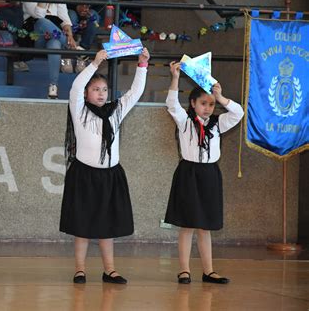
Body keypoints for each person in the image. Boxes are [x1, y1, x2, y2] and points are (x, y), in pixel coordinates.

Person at [60, 48, 150, 284]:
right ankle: (80, 269)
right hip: (84, 175)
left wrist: (142, 65)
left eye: (104, 90)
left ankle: (109, 269)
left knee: (106, 226)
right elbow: (75, 88)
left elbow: (135, 93)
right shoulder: (79, 111)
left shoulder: (116, 112)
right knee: (82, 225)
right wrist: (94, 64)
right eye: (95, 90)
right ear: (88, 93)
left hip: (110, 176)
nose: (100, 94)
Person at [163, 61, 244, 284]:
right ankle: (184, 270)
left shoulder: (218, 123)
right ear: (193, 103)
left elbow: (238, 113)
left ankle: (208, 271)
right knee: (188, 224)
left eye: (210, 104)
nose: (207, 108)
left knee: (205, 226)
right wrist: (176, 77)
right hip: (189, 174)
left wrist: (221, 98)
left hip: (209, 175)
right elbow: (171, 104)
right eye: (203, 103)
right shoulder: (185, 121)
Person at [22, 0, 77, 99]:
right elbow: (39, 16)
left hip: (54, 34)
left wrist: (69, 34)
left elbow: (64, 18)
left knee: (54, 44)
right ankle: (73, 48)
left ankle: (53, 86)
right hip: (36, 35)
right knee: (43, 22)